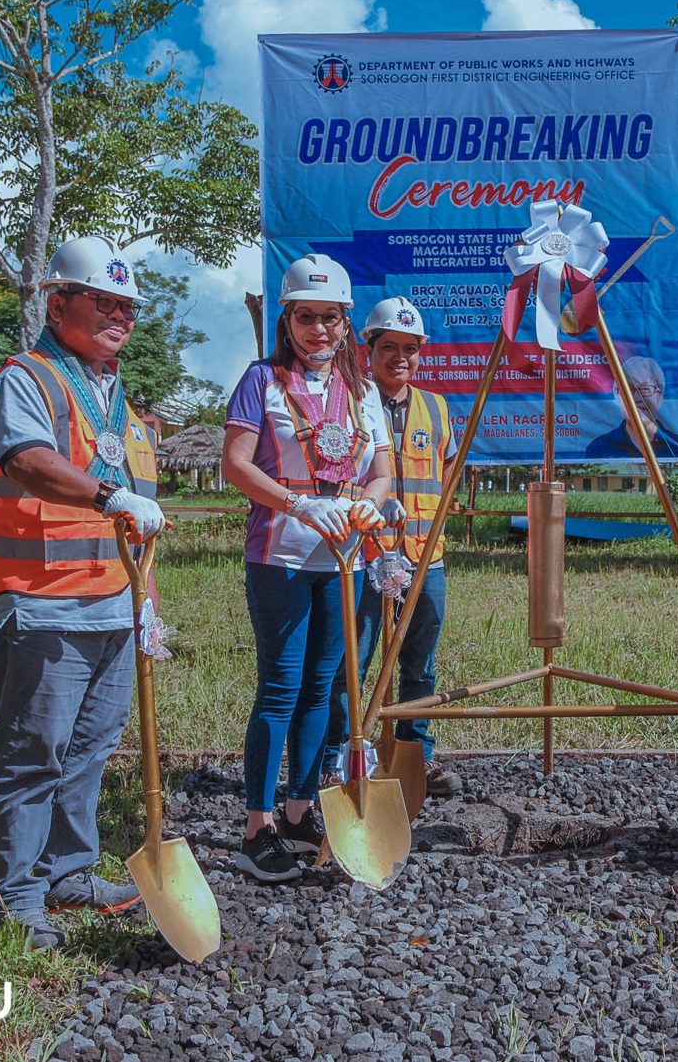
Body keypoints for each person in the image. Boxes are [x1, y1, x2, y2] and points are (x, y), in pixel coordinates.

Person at [0, 236, 167, 949]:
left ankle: (66, 871)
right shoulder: (27, 379)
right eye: (102, 301)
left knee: (88, 751)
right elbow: (29, 461)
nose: (118, 315)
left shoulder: (123, 405)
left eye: (127, 306)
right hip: (41, 599)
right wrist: (111, 493)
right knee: (33, 750)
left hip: (113, 602)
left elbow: (137, 521)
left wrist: (148, 601)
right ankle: (14, 891)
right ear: (59, 304)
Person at [222, 253, 392, 883]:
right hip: (282, 553)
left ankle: (299, 810)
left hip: (344, 555)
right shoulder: (260, 380)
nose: (319, 329)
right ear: (287, 319)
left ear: (347, 322)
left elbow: (381, 472)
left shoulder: (364, 391)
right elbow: (236, 464)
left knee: (324, 688)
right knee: (281, 688)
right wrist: (299, 503)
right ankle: (257, 827)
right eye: (306, 317)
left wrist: (370, 509)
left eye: (330, 317)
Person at [320, 296, 463, 797]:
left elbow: (446, 479)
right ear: (369, 349)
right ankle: (341, 754)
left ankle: (414, 756)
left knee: (419, 664)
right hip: (363, 555)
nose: (399, 357)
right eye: (388, 347)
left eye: (410, 348)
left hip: (426, 559)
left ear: (421, 352)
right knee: (352, 664)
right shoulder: (344, 404)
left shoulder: (437, 408)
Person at [583, 355, 678, 460]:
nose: (637, 398)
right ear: (617, 397)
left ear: (660, 396)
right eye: (628, 389)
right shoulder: (599, 449)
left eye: (645, 389)